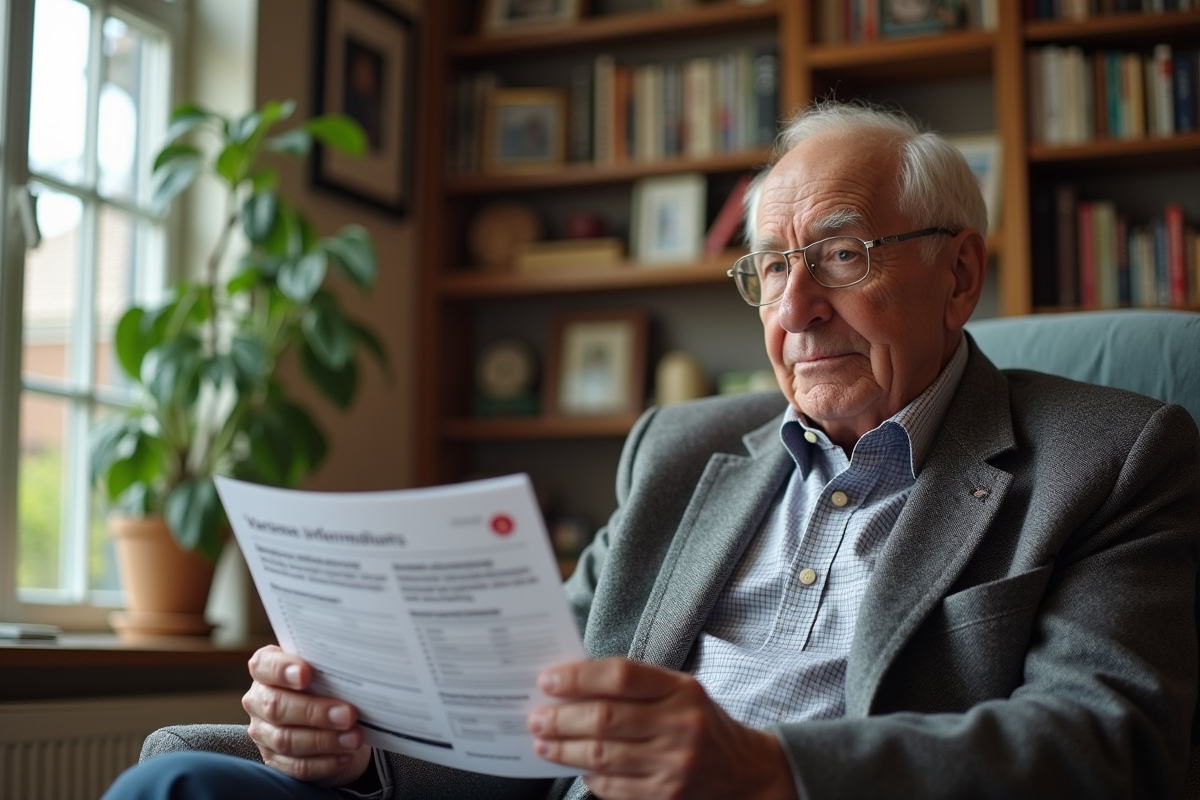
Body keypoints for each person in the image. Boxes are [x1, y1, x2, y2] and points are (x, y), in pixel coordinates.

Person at [105, 101, 1200, 800]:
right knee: (180, 781)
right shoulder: (679, 448)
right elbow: (531, 718)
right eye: (771, 268)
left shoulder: (1113, 454)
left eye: (842, 254)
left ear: (960, 275)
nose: (798, 306)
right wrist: (360, 747)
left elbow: (1107, 743)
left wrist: (773, 771)